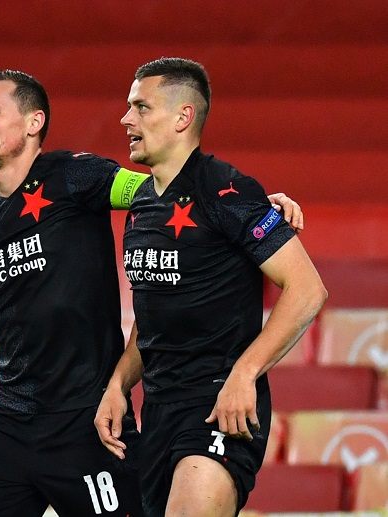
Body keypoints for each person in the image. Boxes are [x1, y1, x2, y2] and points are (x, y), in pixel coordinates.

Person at [0, 69, 302, 517]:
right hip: (12, 422)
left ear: (33, 122)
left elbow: (160, 191)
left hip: (89, 423)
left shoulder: (74, 175)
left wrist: (252, 207)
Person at [94, 57, 327, 517]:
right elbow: (155, 314)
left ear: (183, 117)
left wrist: (244, 374)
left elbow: (307, 289)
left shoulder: (228, 190)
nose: (125, 120)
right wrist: (119, 383)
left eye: (141, 107)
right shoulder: (140, 204)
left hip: (220, 404)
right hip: (157, 412)